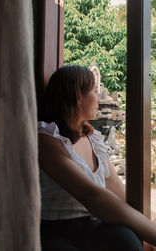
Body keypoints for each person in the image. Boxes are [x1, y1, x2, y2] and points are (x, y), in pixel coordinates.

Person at [38, 65, 156, 251]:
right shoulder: (45, 138)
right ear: (78, 97)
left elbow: (117, 191)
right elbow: (93, 196)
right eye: (94, 90)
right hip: (55, 230)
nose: (99, 97)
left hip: (93, 228)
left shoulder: (94, 139)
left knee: (126, 240)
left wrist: (144, 228)